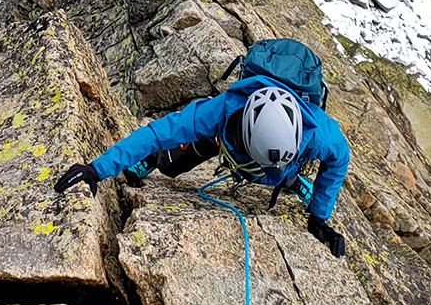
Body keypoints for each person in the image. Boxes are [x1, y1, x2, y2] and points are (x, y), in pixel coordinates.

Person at [55, 72, 350, 256]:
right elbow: (158, 132)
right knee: (171, 165)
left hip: (281, 158)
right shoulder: (219, 112)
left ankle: (289, 178)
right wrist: (98, 168)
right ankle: (154, 161)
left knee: (278, 174)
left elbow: (339, 161)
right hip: (222, 138)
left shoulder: (319, 135)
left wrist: (318, 218)